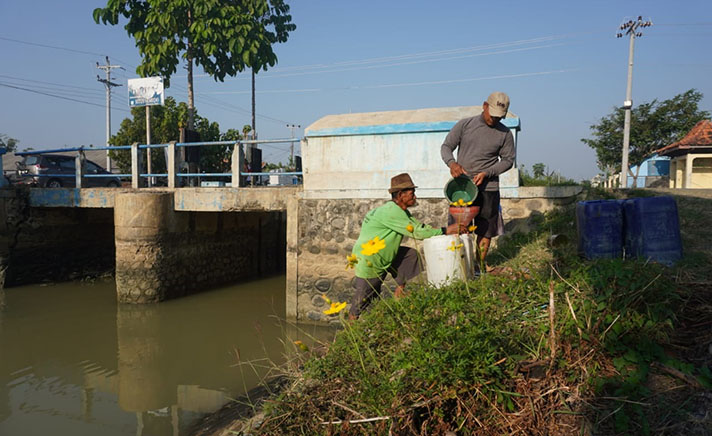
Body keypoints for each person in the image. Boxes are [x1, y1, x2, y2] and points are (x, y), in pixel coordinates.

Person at [348, 173, 466, 319]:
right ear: (400, 195)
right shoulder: (392, 212)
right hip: (370, 259)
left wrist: (444, 230)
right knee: (362, 300)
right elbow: (417, 232)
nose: (415, 196)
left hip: (382, 253)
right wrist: (446, 230)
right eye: (411, 193)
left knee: (409, 256)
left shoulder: (400, 211)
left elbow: (418, 226)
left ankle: (400, 292)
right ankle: (350, 328)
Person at [441, 91, 515, 267]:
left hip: (489, 189)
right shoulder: (465, 125)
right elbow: (446, 147)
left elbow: (508, 161)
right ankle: (458, 268)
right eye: (493, 115)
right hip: (462, 188)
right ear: (484, 106)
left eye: (500, 117)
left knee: (486, 230)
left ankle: (478, 267)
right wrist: (452, 164)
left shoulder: (505, 134)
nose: (495, 120)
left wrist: (487, 173)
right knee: (458, 230)